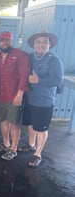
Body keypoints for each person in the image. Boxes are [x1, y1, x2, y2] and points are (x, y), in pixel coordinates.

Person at [18, 31, 64, 168]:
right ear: (33, 44)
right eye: (38, 42)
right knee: (30, 124)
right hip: (30, 98)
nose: (41, 45)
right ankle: (31, 145)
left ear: (50, 44)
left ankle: (37, 154)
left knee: (41, 128)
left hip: (44, 101)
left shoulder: (54, 60)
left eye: (45, 42)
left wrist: (39, 81)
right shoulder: (30, 57)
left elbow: (57, 80)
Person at [0, 31, 30, 161]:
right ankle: (5, 144)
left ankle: (13, 149)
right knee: (3, 121)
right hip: (0, 96)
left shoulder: (21, 56)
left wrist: (20, 93)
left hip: (14, 96)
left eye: (7, 40)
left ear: (11, 41)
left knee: (13, 123)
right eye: (2, 40)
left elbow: (24, 76)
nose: (4, 42)